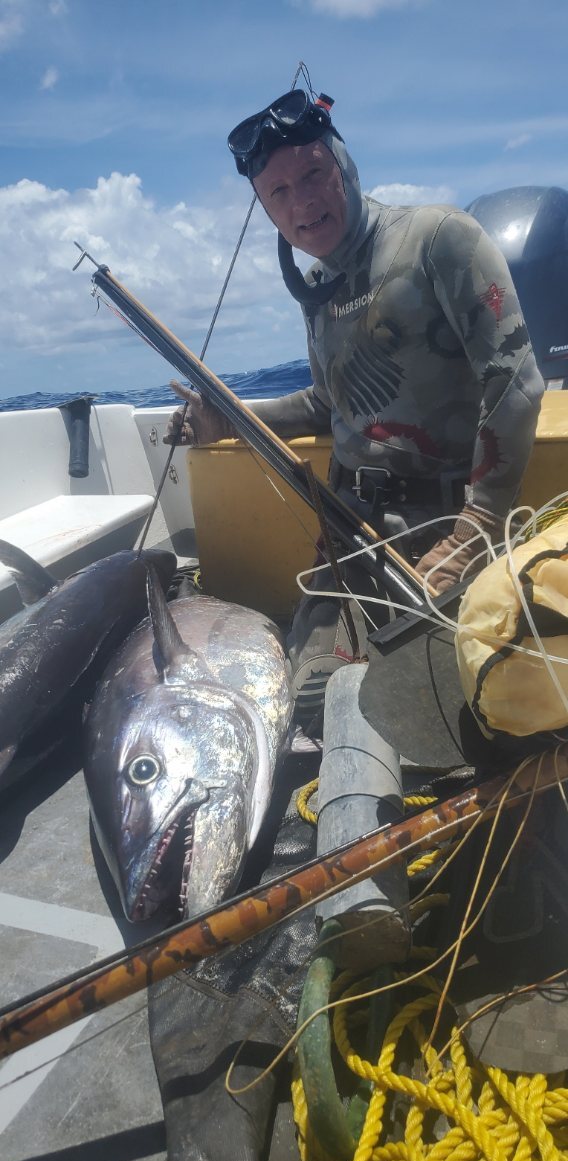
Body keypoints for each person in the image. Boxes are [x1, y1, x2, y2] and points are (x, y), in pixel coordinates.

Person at [165, 88, 544, 733]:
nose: (302, 202)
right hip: (349, 531)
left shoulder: (438, 238)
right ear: (266, 209)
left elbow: (517, 381)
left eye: (313, 174)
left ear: (344, 164)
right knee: (312, 703)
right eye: (278, 192)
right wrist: (229, 418)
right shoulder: (317, 289)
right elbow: (327, 403)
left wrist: (474, 530)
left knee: (440, 720)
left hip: (449, 528)